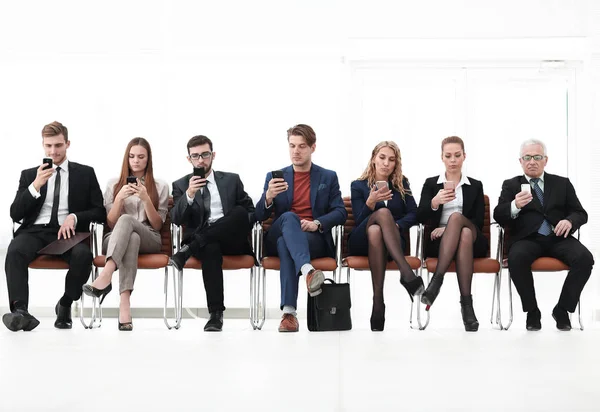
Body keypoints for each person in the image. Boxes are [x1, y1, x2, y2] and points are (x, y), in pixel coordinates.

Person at [3, 121, 105, 331]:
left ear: (67, 144)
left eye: (58, 145)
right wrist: (35, 186)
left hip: (68, 232)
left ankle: (65, 305)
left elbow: (100, 212)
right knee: (14, 251)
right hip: (35, 231)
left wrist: (74, 217)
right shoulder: (30, 175)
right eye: (48, 146)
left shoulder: (85, 173)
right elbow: (15, 213)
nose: (53, 151)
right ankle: (20, 311)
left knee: (83, 256)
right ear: (43, 145)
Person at [493, 139, 593, 331]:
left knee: (585, 259)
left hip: (558, 237)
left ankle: (562, 310)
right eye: (527, 157)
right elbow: (498, 214)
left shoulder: (562, 184)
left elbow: (580, 213)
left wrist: (570, 221)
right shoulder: (511, 185)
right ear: (520, 161)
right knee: (517, 258)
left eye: (537, 157)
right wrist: (515, 206)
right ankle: (532, 312)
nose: (532, 161)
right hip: (527, 239)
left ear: (545, 160)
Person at [255, 124, 347, 332]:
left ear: (313, 147)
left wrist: (317, 223)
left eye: (302, 146)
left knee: (285, 245)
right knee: (289, 217)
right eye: (292, 146)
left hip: (311, 237)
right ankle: (308, 271)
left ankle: (289, 314)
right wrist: (268, 197)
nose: (296, 151)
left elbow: (341, 212)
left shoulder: (327, 177)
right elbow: (259, 215)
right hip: (281, 228)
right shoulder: (274, 177)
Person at [169, 135, 255, 332]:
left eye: (205, 155)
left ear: (213, 155)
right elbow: (175, 219)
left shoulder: (232, 180)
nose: (201, 160)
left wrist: (233, 223)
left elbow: (249, 213)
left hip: (232, 240)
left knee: (239, 212)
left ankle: (189, 248)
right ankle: (216, 315)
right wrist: (189, 195)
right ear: (188, 159)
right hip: (207, 245)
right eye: (196, 156)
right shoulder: (181, 185)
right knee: (210, 246)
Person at [82, 138, 169, 331]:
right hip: (114, 239)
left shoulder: (160, 185)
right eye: (131, 156)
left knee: (129, 223)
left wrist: (146, 199)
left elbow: (158, 225)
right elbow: (111, 223)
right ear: (126, 158)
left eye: (140, 157)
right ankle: (125, 304)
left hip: (150, 237)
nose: (136, 161)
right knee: (131, 236)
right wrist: (120, 198)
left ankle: (106, 274)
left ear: (148, 159)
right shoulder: (113, 184)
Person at [347, 141, 421, 331]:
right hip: (360, 240)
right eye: (382, 158)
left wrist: (396, 226)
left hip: (392, 242)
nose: (386, 163)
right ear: (373, 159)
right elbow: (359, 219)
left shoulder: (402, 184)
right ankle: (406, 274)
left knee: (377, 230)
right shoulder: (358, 186)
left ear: (396, 164)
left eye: (391, 160)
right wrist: (371, 202)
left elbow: (414, 213)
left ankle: (378, 302)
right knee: (379, 218)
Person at [417, 136, 487, 332]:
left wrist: (448, 227)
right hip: (440, 243)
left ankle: (436, 282)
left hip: (474, 239)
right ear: (442, 157)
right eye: (448, 156)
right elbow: (419, 216)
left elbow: (478, 222)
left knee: (458, 220)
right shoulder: (431, 184)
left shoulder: (476, 185)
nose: (453, 160)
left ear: (464, 156)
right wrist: (434, 202)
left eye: (457, 155)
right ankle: (467, 306)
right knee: (461, 234)